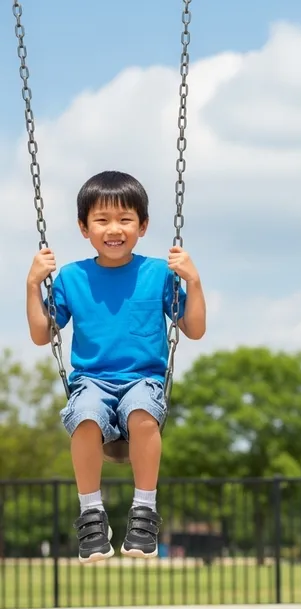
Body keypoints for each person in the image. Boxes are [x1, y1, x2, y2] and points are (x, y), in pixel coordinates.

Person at [25, 171, 207, 564]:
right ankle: (91, 513)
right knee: (85, 416)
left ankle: (144, 512)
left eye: (125, 220)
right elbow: (43, 335)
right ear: (84, 227)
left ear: (142, 226)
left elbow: (193, 329)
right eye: (102, 220)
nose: (114, 229)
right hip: (91, 381)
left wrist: (193, 280)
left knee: (143, 412)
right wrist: (32, 286)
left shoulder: (158, 272)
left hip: (143, 378)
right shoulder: (72, 277)